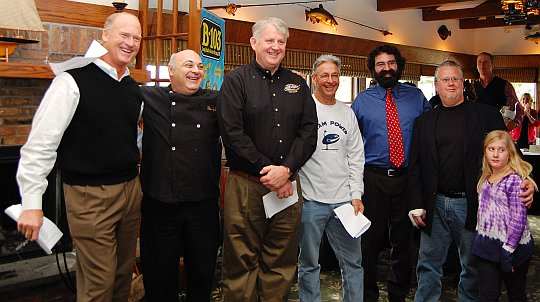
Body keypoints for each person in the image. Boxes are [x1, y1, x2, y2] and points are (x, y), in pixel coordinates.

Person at [16, 12, 143, 302]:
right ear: (105, 36)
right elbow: (40, 145)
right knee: (99, 282)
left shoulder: (132, 88)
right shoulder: (70, 82)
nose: (130, 42)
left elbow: (127, 137)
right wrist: (32, 204)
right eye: (124, 35)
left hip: (130, 191)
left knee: (123, 276)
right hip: (89, 196)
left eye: (136, 37)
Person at [408, 60, 534, 302]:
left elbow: (509, 153)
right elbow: (416, 167)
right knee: (427, 266)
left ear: (462, 84)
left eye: (455, 78)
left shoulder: (486, 115)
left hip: (472, 204)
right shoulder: (423, 122)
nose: (451, 83)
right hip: (433, 206)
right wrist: (416, 203)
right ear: (436, 86)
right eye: (445, 79)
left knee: (472, 269)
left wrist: (526, 179)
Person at [217, 17, 318, 301]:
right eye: (269, 40)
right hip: (246, 185)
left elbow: (309, 132)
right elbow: (232, 134)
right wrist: (270, 173)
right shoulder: (235, 81)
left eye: (281, 42)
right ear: (254, 43)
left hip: (287, 187)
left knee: (281, 261)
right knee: (240, 261)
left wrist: (286, 171)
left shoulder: (297, 85)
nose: (275, 47)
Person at [139, 50, 221, 301]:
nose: (196, 70)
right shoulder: (149, 97)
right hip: (160, 205)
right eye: (188, 65)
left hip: (203, 205)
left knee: (202, 274)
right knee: (159, 277)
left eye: (199, 66)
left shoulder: (217, 100)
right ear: (170, 71)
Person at [351, 44, 430, 302]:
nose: (386, 68)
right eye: (380, 64)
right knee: (368, 243)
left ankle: (398, 295)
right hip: (372, 178)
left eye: (391, 63)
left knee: (404, 243)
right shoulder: (362, 101)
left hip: (407, 179)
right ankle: (368, 295)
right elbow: (350, 143)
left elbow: (429, 137)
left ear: (399, 65)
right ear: (373, 70)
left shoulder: (416, 97)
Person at [297, 54, 365, 302]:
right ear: (314, 78)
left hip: (344, 203)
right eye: (324, 75)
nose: (330, 80)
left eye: (334, 75)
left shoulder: (347, 113)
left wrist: (356, 195)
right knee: (308, 264)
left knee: (353, 264)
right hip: (311, 201)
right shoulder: (303, 109)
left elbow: (357, 157)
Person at [473, 130, 536, 301]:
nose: (495, 154)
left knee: (516, 294)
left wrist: (508, 252)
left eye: (501, 150)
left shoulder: (515, 180)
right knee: (487, 296)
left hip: (513, 249)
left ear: (510, 153)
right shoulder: (485, 177)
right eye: (491, 149)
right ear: (485, 152)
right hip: (487, 247)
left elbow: (518, 220)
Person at [475, 52, 523, 131]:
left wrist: (515, 122)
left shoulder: (505, 85)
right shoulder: (472, 88)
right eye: (479, 62)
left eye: (485, 62)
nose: (482, 65)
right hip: (477, 131)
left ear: (492, 64)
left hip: (498, 132)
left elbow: (519, 108)